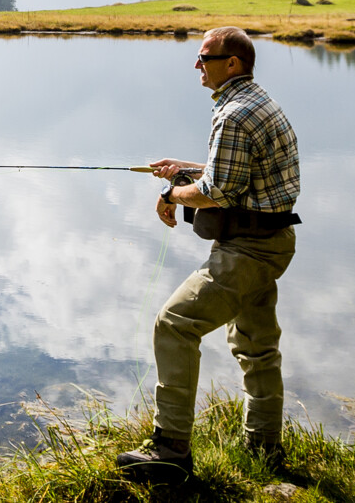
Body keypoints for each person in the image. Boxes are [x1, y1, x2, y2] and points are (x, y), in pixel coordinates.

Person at [117, 26, 301, 480]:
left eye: (204, 57)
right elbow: (237, 173)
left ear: (231, 64)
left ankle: (171, 447)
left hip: (249, 250)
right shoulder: (258, 102)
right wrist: (183, 169)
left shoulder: (235, 113)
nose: (197, 66)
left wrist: (173, 193)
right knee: (257, 347)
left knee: (175, 323)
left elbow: (219, 189)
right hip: (269, 243)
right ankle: (264, 448)